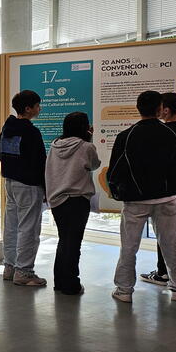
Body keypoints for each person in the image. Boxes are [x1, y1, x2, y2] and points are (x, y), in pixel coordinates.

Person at [107, 90, 176, 303]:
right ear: (160, 109)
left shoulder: (126, 136)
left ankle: (124, 290)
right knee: (172, 244)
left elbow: (115, 171)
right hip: (167, 198)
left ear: (138, 108)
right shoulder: (170, 134)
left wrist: (119, 191)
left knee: (129, 247)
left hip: (135, 200)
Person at [140, 92, 176, 287]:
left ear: (165, 109)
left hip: (167, 191)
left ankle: (163, 272)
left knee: (163, 231)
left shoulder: (162, 132)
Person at [45, 112, 101, 295]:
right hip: (77, 199)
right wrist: (89, 137)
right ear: (84, 127)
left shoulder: (54, 145)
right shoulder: (86, 147)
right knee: (73, 242)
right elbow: (94, 164)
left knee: (64, 240)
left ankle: (60, 281)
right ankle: (71, 284)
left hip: (57, 199)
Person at [0, 90, 47, 286]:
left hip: (10, 182)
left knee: (11, 226)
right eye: (37, 105)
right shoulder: (31, 131)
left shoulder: (7, 128)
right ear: (28, 109)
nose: (39, 108)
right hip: (28, 184)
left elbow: (2, 155)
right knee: (29, 228)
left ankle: (9, 267)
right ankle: (24, 272)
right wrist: (45, 187)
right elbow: (40, 161)